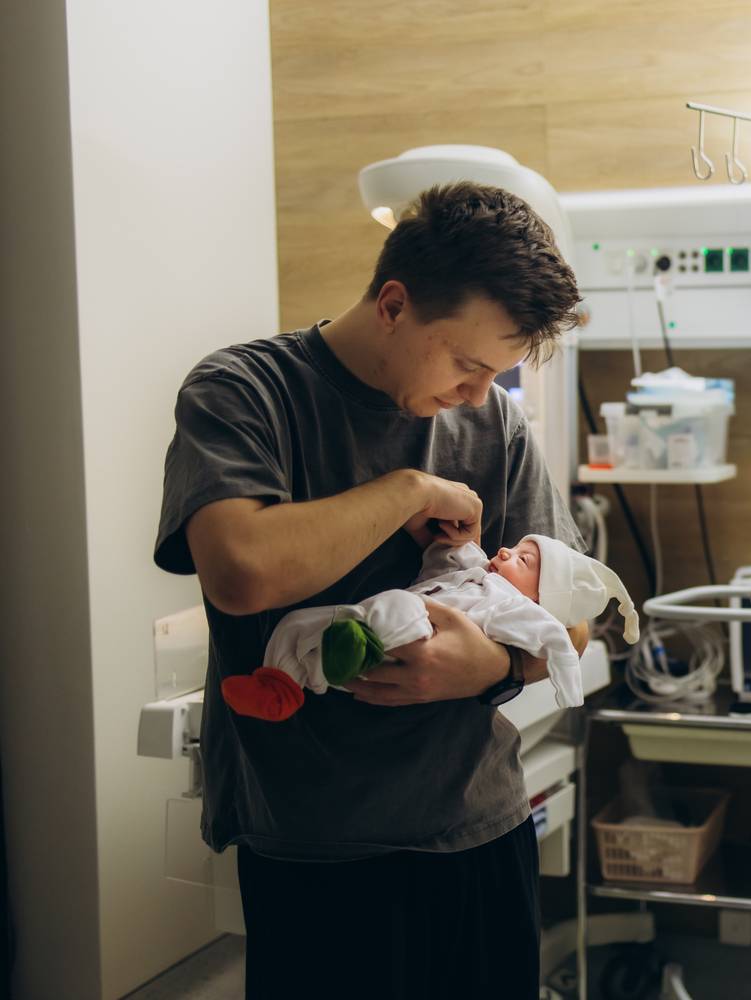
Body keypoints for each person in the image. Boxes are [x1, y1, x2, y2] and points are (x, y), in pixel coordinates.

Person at [153, 181, 584, 999]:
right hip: (317, 850)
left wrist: (492, 668)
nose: (476, 395)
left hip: (479, 831)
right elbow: (240, 571)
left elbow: (574, 618)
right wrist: (409, 491)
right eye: (466, 365)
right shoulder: (246, 391)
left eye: (495, 373)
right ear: (393, 304)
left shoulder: (493, 424)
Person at [223, 533, 640, 722]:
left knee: (401, 604)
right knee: (300, 622)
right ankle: (279, 685)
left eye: (523, 560)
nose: (504, 550)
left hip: (413, 635)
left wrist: (567, 692)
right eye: (515, 547)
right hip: (363, 620)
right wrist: (449, 536)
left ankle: (360, 646)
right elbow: (446, 558)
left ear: (540, 597)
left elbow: (562, 638)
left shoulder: (515, 608)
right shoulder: (479, 572)